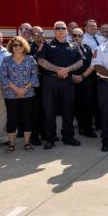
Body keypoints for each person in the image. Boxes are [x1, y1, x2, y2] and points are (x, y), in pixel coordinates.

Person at [36, 21, 83, 149]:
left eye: (63, 28)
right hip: (50, 82)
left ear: (67, 31)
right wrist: (57, 69)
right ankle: (50, 138)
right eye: (57, 28)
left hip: (67, 82)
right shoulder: (47, 44)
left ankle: (68, 136)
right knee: (49, 111)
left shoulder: (73, 45)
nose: (60, 30)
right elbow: (41, 60)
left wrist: (67, 69)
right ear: (54, 31)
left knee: (68, 110)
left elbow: (80, 61)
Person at [0, 36, 39, 153]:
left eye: (20, 45)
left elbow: (34, 76)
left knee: (27, 118)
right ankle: (11, 144)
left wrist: (24, 89)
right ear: (11, 47)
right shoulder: (6, 60)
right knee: (11, 119)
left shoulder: (30, 59)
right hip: (11, 95)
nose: (18, 47)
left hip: (28, 94)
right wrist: (17, 89)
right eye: (15, 45)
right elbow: (3, 77)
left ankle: (27, 143)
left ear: (24, 47)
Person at [70, 28, 97, 138]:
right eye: (74, 35)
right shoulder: (67, 48)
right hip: (70, 82)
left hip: (85, 81)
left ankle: (87, 129)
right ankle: (74, 129)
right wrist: (72, 76)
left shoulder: (87, 48)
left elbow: (93, 64)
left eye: (79, 36)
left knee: (87, 106)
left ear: (82, 37)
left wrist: (82, 76)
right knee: (73, 107)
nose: (77, 38)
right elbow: (63, 65)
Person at [28, 26, 46, 145]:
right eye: (35, 33)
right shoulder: (28, 48)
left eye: (40, 33)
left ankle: (46, 134)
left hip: (48, 83)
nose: (38, 35)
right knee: (34, 111)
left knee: (47, 110)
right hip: (34, 84)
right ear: (32, 35)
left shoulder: (49, 46)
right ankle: (34, 137)